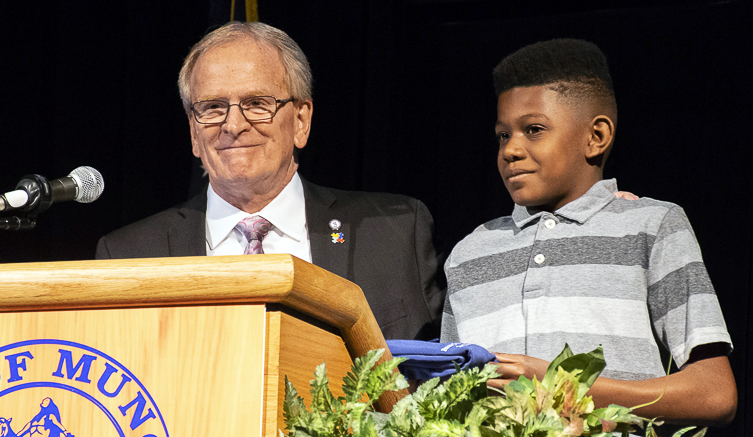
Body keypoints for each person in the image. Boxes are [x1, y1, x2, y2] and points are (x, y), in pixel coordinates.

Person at [439, 39, 737, 427]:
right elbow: (443, 396)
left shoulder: (650, 225)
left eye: (533, 130)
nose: (511, 149)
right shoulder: (469, 253)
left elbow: (714, 394)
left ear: (596, 137)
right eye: (502, 135)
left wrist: (558, 385)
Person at [95, 21, 443, 341]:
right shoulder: (129, 256)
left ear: (301, 121)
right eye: (213, 107)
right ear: (193, 131)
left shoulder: (395, 234)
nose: (233, 125)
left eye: (257, 103)